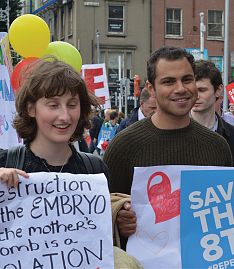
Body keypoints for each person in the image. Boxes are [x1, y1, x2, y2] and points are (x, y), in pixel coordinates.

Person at [103, 46, 234, 245]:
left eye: (187, 79)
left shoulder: (218, 146)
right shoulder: (124, 146)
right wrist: (118, 220)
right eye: (168, 81)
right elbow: (101, 217)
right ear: (151, 89)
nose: (180, 88)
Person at [0, 59, 142, 268]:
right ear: (31, 109)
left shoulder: (94, 170)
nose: (64, 116)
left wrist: (121, 221)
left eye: (72, 105)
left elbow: (99, 240)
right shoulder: (6, 162)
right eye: (53, 105)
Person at [192, 60, 234, 167]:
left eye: (202, 90)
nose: (196, 96)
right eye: (192, 90)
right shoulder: (173, 134)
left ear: (218, 90)